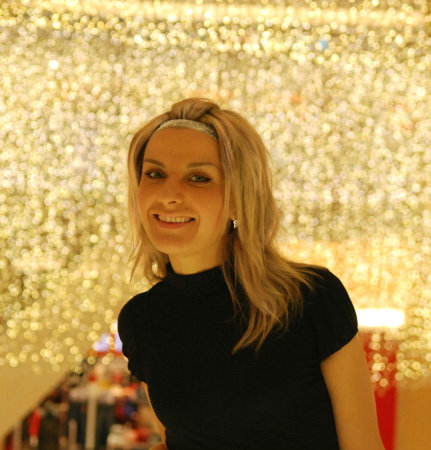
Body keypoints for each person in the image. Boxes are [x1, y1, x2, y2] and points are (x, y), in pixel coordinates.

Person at [117, 97, 385, 450]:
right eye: (155, 174)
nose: (169, 195)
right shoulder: (142, 319)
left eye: (199, 178)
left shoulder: (310, 298)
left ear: (239, 198)